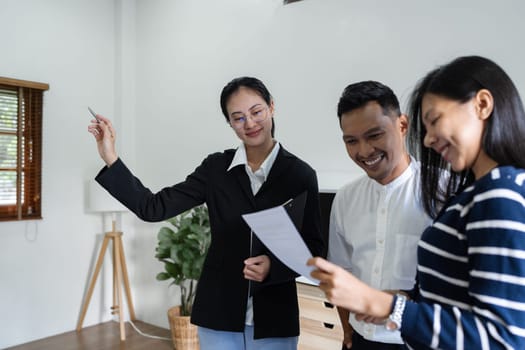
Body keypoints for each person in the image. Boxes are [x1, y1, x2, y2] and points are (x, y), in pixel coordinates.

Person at [87, 76, 324, 350]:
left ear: (271, 107)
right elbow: (153, 208)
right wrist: (111, 158)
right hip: (219, 314)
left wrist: (274, 268)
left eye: (256, 111)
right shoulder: (216, 169)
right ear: (230, 123)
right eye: (238, 118)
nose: (250, 123)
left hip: (275, 316)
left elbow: (314, 249)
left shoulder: (300, 175)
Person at [308, 55, 525, 349]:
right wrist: (407, 298)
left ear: (483, 105)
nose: (428, 140)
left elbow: (503, 337)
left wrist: (385, 305)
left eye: (435, 121)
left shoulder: (496, 195)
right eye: (351, 140)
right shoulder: (479, 192)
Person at [328, 81, 431, 349]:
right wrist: (348, 333)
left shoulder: (441, 193)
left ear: (402, 125)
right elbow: (343, 272)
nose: (364, 151)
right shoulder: (345, 199)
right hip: (361, 339)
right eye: (351, 141)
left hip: (418, 340)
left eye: (374, 135)